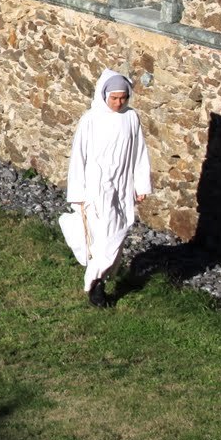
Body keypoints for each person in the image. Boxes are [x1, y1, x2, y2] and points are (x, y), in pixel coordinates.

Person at [59, 68, 151, 308]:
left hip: (122, 185)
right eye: (114, 98)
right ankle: (95, 284)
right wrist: (77, 193)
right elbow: (79, 157)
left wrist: (141, 185)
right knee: (105, 234)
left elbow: (139, 152)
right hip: (96, 187)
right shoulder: (91, 119)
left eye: (123, 98)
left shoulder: (131, 118)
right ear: (104, 95)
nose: (119, 103)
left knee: (119, 231)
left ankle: (99, 278)